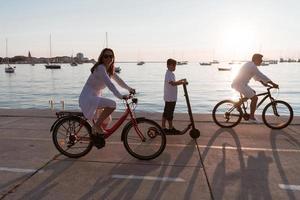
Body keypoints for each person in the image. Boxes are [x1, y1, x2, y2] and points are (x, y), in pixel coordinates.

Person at [79, 48, 135, 146]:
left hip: (95, 96)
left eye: (111, 56)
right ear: (102, 58)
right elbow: (110, 84)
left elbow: (119, 81)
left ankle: (97, 135)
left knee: (107, 119)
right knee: (112, 104)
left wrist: (129, 89)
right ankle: (96, 126)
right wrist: (120, 96)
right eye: (106, 56)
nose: (108, 58)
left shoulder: (109, 70)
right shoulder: (100, 68)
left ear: (113, 58)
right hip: (88, 97)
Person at [231, 53, 278, 122]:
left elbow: (255, 76)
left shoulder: (250, 65)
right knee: (255, 98)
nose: (261, 61)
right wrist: (273, 84)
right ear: (256, 59)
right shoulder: (252, 66)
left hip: (241, 84)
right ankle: (251, 117)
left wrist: (263, 83)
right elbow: (261, 75)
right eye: (260, 59)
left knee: (253, 92)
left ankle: (238, 104)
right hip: (239, 84)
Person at [162, 58, 186, 133]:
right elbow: (172, 84)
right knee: (169, 113)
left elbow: (174, 82)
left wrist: (181, 80)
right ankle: (170, 128)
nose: (175, 67)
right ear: (168, 66)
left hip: (170, 97)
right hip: (170, 98)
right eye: (174, 66)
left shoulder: (170, 74)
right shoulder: (168, 74)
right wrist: (182, 83)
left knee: (166, 112)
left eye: (175, 66)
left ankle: (164, 127)